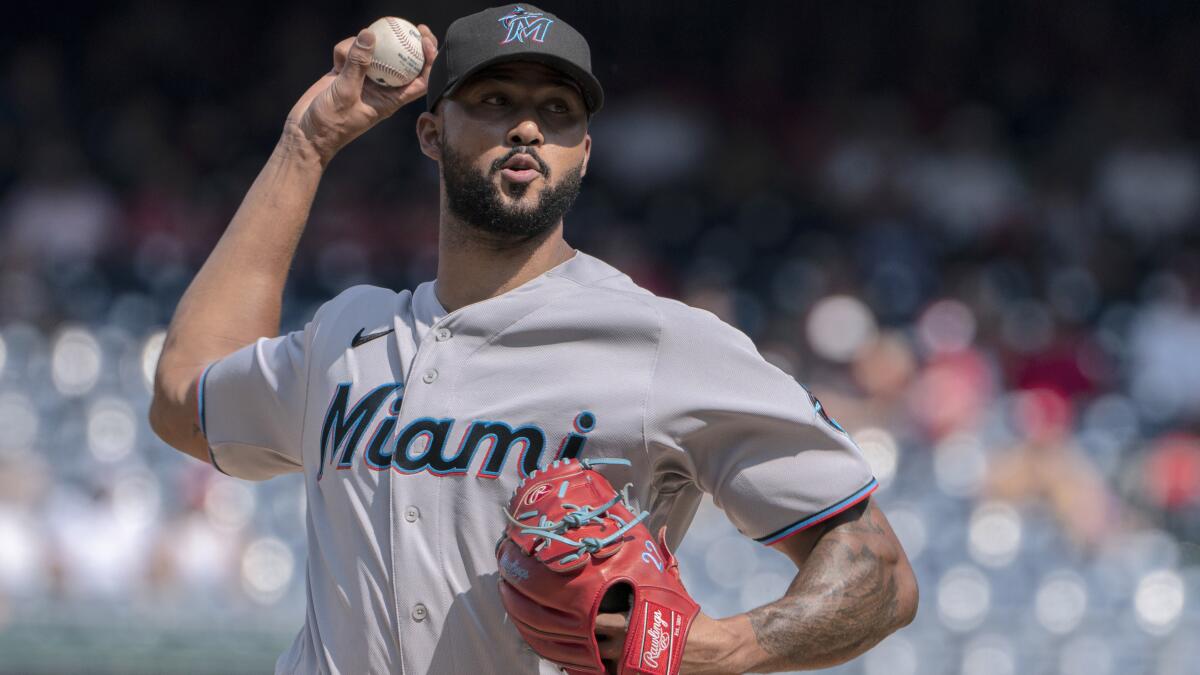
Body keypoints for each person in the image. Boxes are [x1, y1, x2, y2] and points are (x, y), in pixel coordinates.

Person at [148, 5, 918, 674]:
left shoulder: (661, 342)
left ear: (584, 150)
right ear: (429, 130)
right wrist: (307, 143)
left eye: (559, 110)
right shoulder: (345, 336)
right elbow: (183, 397)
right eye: (492, 99)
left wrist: (724, 646)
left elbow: (878, 569)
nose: (527, 125)